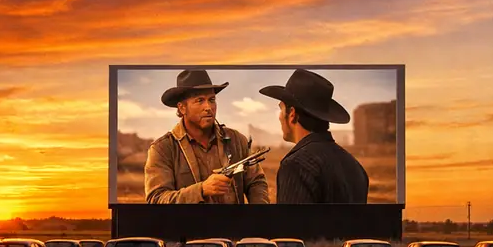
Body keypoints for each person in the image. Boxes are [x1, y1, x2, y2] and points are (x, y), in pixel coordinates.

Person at [143, 70, 270, 204]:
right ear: (182, 108)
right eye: (200, 100)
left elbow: (256, 182)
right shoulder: (163, 149)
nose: (208, 107)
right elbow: (156, 199)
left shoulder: (236, 140)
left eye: (212, 100)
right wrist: (201, 190)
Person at [258, 69, 369, 204]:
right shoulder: (355, 166)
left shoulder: (296, 165)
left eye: (281, 109)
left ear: (292, 114)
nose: (280, 117)